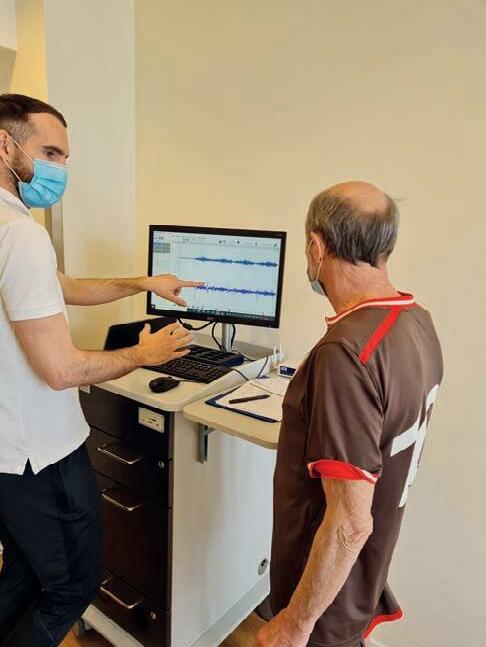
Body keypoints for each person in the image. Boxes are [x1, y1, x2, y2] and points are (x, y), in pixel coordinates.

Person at [0, 94, 201, 646]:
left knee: (24, 573)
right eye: (51, 153)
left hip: (8, 455)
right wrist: (143, 354)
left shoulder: (10, 227)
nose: (60, 169)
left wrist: (144, 283)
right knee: (71, 587)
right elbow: (61, 370)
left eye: (65, 157)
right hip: (38, 455)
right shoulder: (20, 235)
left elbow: (63, 286)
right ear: (5, 145)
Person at [256, 182, 443, 647]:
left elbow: (349, 523)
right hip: (361, 581)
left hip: (322, 600)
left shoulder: (345, 354)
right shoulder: (416, 321)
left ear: (315, 248)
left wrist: (294, 624)